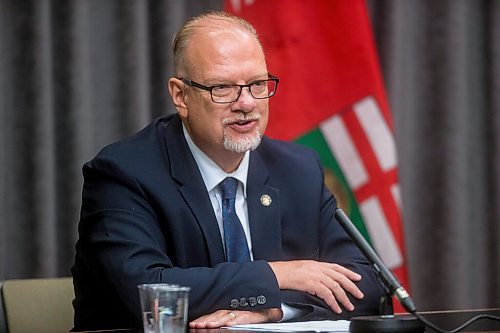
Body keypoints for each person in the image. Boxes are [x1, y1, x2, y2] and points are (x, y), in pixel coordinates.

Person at [71, 11, 385, 331]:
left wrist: (275, 310)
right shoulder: (124, 173)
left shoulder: (299, 169)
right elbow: (148, 293)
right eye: (223, 87)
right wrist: (279, 275)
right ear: (181, 96)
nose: (246, 103)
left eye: (257, 84)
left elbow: (369, 285)